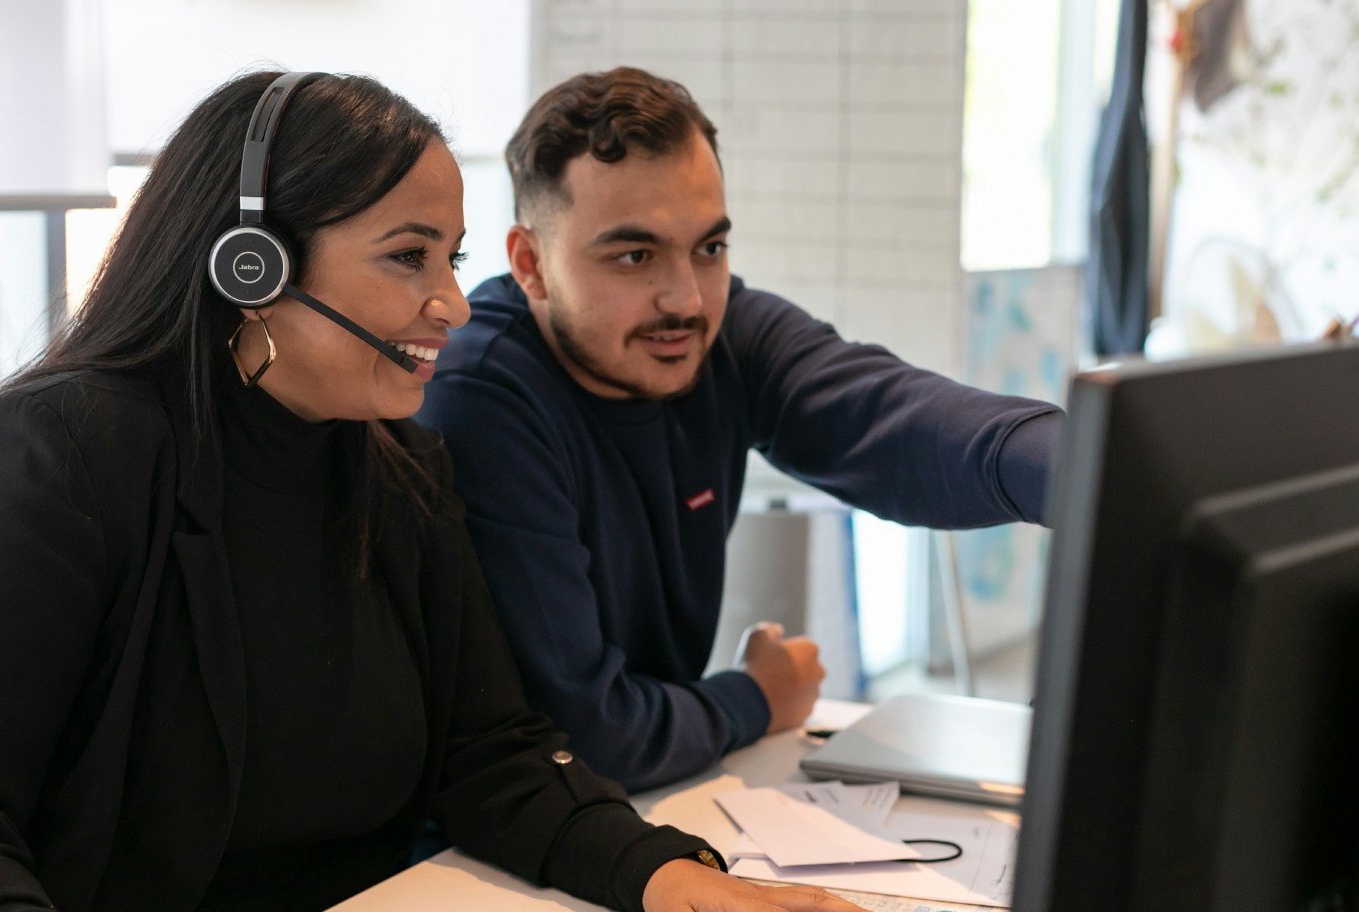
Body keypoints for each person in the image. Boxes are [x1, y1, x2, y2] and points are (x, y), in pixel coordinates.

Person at [0, 71, 903, 912]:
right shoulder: (57, 457)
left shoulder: (397, 468)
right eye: (408, 258)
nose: (450, 302)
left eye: (449, 258)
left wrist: (657, 869)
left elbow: (490, 751)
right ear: (254, 264)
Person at [415, 67, 1065, 792]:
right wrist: (755, 697)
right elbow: (585, 733)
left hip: (636, 812)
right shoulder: (481, 393)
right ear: (531, 264)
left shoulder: (717, 336)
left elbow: (893, 419)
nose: (686, 298)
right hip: (474, 855)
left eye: (709, 248)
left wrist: (1081, 471)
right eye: (635, 256)